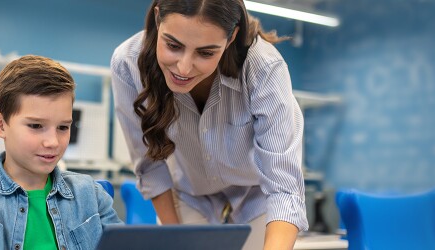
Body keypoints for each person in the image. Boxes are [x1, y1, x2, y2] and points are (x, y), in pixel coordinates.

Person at [111, 0, 307, 249]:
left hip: (257, 196)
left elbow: (284, 187)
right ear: (158, 19)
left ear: (231, 37)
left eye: (205, 53)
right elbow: (150, 167)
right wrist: (176, 240)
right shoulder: (127, 63)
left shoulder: (264, 68)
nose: (183, 68)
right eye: (173, 46)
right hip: (190, 195)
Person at [0, 55, 122, 250]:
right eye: (36, 126)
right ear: (0, 124)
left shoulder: (91, 194)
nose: (53, 142)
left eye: (63, 127)